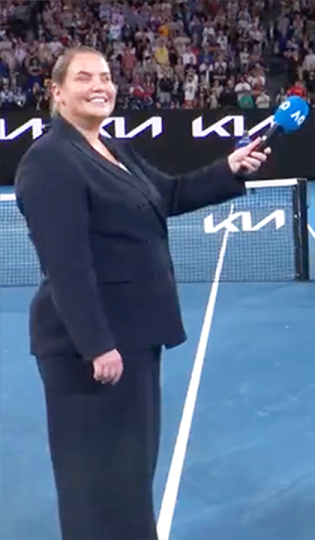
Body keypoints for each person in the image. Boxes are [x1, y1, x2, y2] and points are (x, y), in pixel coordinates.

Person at [14, 46, 269, 540]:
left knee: (129, 474)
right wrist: (96, 344)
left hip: (134, 337)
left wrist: (230, 168)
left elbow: (168, 195)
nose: (99, 86)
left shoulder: (115, 148)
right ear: (57, 92)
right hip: (91, 352)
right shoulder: (48, 162)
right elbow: (66, 265)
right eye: (84, 77)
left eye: (106, 77)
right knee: (96, 480)